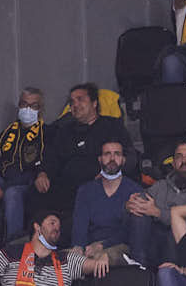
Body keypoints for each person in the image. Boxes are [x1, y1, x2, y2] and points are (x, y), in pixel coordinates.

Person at [36, 83, 132, 218]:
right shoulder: (64, 131)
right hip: (67, 188)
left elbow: (130, 156)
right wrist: (43, 174)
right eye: (72, 102)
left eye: (80, 99)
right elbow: (52, 158)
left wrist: (111, 173)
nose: (75, 105)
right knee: (34, 193)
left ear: (94, 103)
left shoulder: (112, 126)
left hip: (101, 183)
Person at [0, 88, 46, 240]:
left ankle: (12, 246)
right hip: (3, 181)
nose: (28, 110)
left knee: (12, 193)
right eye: (24, 104)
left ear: (40, 110)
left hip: (27, 186)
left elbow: (35, 172)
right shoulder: (6, 134)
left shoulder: (46, 134)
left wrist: (4, 188)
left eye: (33, 106)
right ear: (19, 105)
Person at [72, 139, 151, 266]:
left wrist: (103, 245)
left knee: (99, 260)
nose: (112, 158)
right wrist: (78, 247)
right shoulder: (86, 190)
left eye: (117, 154)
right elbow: (79, 224)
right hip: (91, 246)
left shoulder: (134, 190)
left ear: (123, 160)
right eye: (107, 154)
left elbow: (133, 231)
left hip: (120, 246)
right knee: (62, 261)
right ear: (100, 159)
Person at [136, 141, 186, 264]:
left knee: (172, 235)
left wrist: (158, 213)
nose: (184, 160)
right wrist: (131, 204)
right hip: (155, 238)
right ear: (173, 163)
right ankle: (138, 268)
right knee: (138, 216)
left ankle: (169, 277)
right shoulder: (161, 185)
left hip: (183, 240)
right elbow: (141, 198)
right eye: (179, 156)